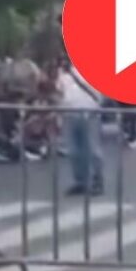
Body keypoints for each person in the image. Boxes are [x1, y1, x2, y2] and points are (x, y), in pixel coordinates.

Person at [54, 58, 106, 196]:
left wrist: (95, 107)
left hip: (88, 113)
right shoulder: (64, 74)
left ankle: (97, 181)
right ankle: (80, 181)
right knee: (74, 150)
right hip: (69, 114)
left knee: (92, 148)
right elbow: (60, 93)